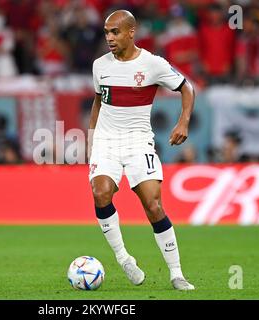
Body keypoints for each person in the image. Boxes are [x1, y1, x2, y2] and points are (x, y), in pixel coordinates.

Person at [88, 10, 195, 291]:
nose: (109, 37)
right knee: (101, 193)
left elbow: (187, 88)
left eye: (115, 32)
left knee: (153, 205)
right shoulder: (100, 65)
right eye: (106, 32)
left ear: (131, 32)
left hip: (138, 141)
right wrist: (91, 138)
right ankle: (124, 259)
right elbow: (98, 102)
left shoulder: (153, 64)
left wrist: (183, 122)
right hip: (107, 141)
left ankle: (176, 273)